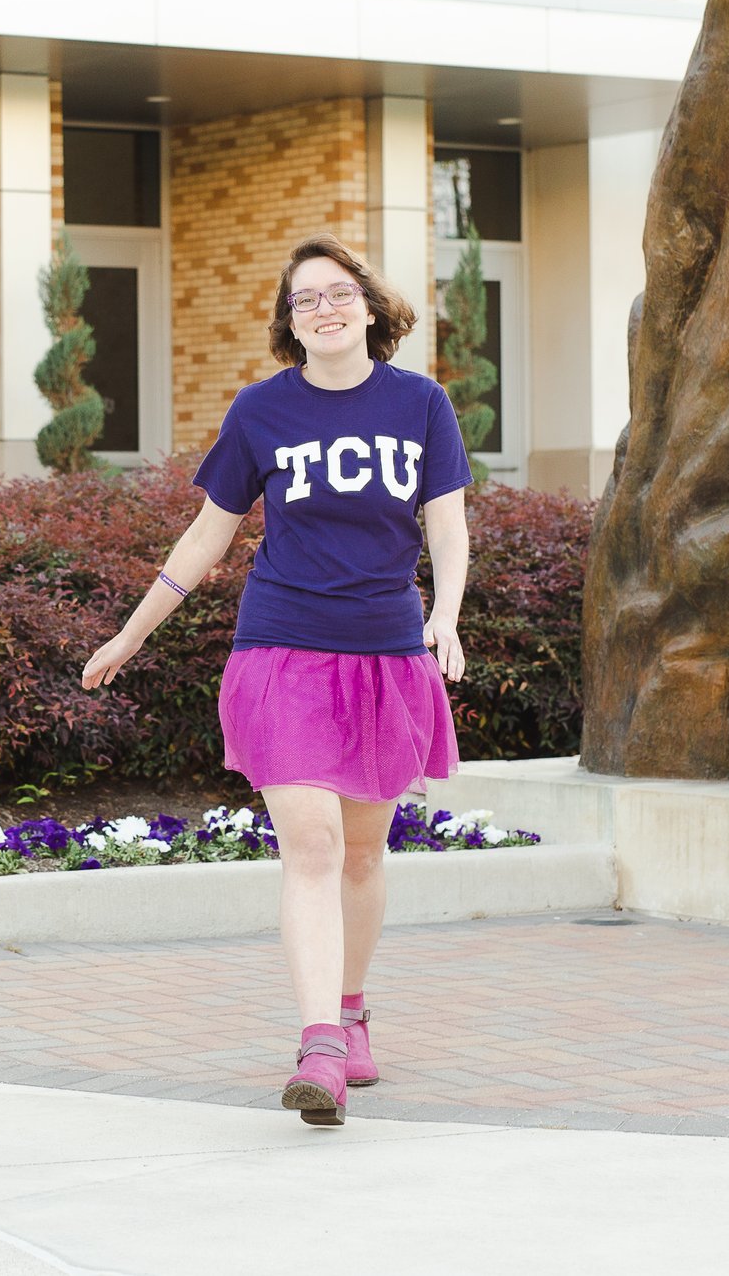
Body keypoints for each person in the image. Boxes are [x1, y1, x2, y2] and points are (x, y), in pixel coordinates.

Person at [80, 234, 470, 1127]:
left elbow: (446, 529)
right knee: (314, 847)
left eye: (339, 294)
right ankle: (320, 1047)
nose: (325, 309)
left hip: (385, 654)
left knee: (365, 852)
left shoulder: (421, 405)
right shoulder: (262, 412)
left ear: (370, 308)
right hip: (282, 648)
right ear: (290, 323)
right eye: (306, 300)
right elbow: (206, 535)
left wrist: (443, 613)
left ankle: (354, 1007)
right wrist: (131, 633)